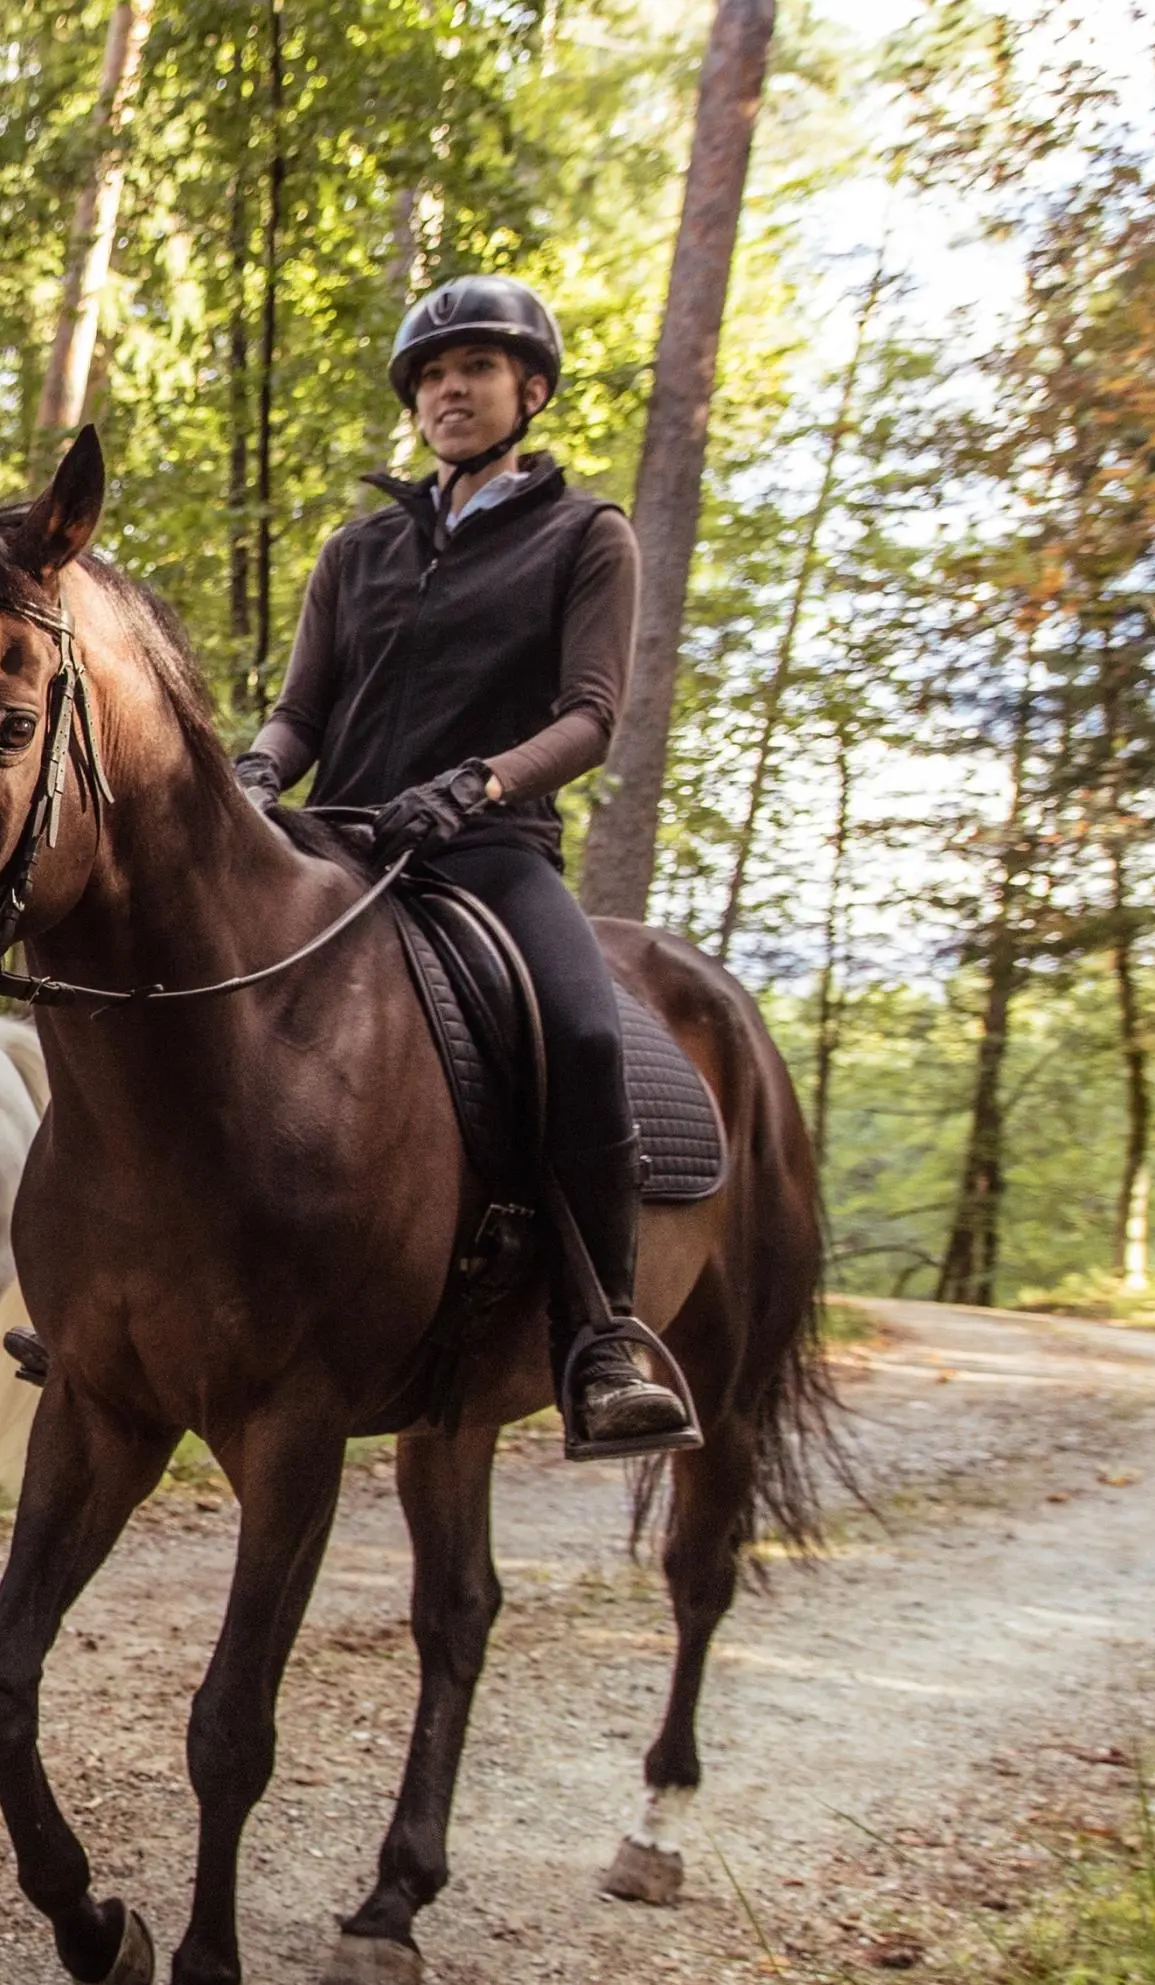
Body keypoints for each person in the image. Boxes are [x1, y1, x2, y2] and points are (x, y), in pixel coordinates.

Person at [232, 273, 697, 1460]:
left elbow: (592, 716)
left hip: (487, 851)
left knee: (585, 1035)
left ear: (528, 391)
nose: (450, 390)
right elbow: (301, 714)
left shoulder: (586, 535)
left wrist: (482, 784)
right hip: (337, 842)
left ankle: (602, 1333)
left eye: (476, 371)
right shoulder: (360, 549)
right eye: (433, 376)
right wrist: (250, 775)